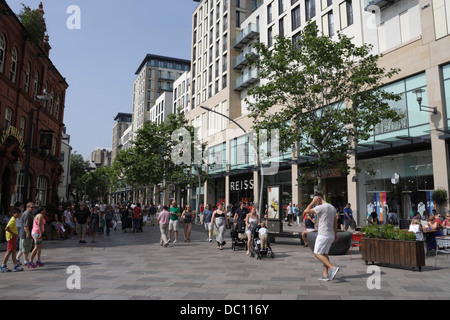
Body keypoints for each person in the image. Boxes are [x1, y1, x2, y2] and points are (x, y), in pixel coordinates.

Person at [303, 194, 340, 282]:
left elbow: (306, 211)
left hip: (323, 234)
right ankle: (325, 275)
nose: (316, 204)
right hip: (330, 234)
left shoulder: (322, 207)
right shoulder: (332, 208)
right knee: (324, 254)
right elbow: (335, 223)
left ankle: (333, 268)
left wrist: (312, 202)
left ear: (319, 199)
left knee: (316, 253)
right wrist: (335, 234)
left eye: (316, 201)